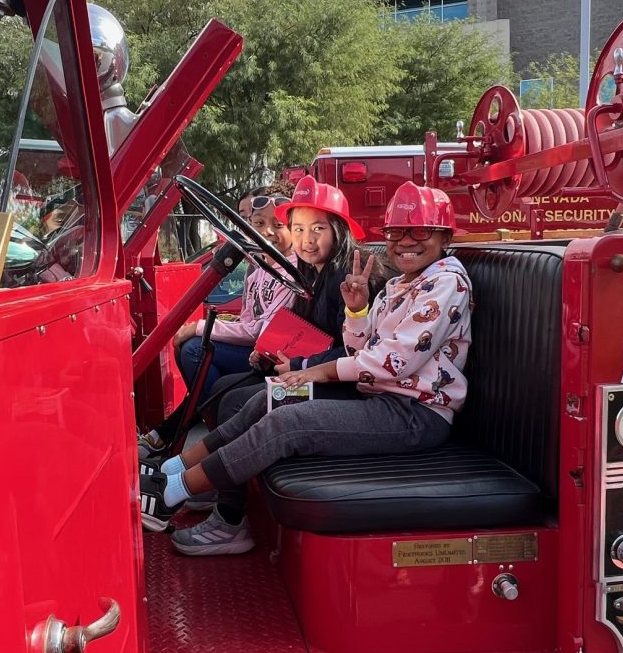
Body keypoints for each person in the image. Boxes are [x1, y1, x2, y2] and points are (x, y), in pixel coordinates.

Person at [139, 181, 472, 555]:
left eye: (421, 231)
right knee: (272, 397)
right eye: (397, 232)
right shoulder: (399, 284)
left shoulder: (445, 283)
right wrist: (358, 309)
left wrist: (314, 371)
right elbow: (359, 347)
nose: (406, 241)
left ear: (445, 237)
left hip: (414, 413)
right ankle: (173, 471)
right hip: (377, 397)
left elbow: (391, 363)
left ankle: (170, 494)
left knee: (287, 423)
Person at [208, 175, 388, 428]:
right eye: (299, 229)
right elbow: (305, 331)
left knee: (236, 402)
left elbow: (357, 350)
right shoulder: (308, 273)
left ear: (338, 230)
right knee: (221, 389)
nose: (307, 240)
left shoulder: (350, 278)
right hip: (310, 371)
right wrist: (269, 353)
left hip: (347, 387)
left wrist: (299, 364)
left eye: (318, 229)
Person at [137, 189, 297, 456]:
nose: (265, 232)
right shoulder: (258, 270)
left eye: (278, 225)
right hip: (256, 348)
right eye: (255, 223)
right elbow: (249, 319)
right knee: (195, 356)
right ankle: (205, 437)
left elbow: (259, 331)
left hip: (272, 356)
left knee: (195, 350)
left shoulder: (289, 271)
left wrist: (199, 328)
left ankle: (196, 438)